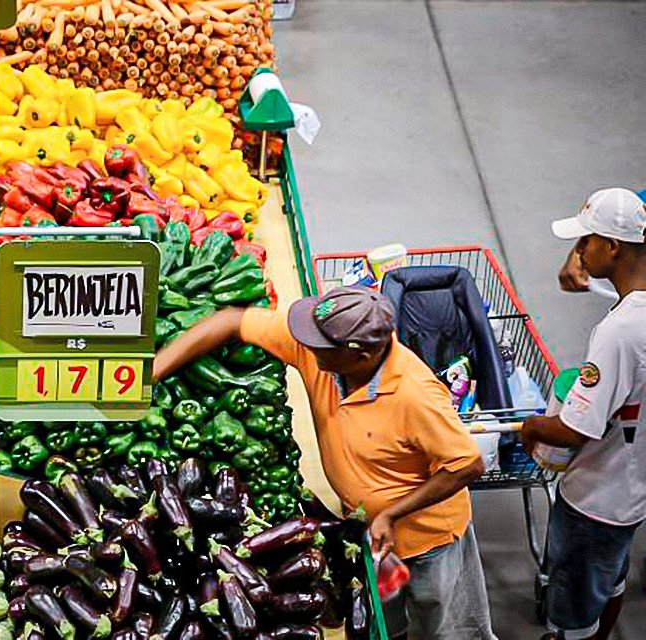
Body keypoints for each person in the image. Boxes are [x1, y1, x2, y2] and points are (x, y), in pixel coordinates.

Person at [153, 286, 495, 639]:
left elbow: (467, 464)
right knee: (384, 622)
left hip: (429, 540)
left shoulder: (416, 395)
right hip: (369, 533)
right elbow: (231, 320)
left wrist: (392, 513)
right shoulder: (327, 354)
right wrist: (151, 373)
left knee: (446, 624)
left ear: (359, 353)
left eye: (319, 343)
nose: (306, 344)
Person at [521, 187, 646, 640]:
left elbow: (576, 428)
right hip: (631, 494)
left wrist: (531, 425)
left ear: (612, 247)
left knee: (571, 611)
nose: (577, 252)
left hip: (594, 501)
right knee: (610, 580)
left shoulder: (620, 332)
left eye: (585, 241)